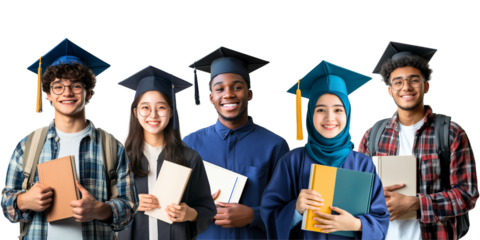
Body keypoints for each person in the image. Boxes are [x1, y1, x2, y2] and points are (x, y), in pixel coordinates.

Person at [1, 37, 138, 240]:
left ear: (88, 91)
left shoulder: (111, 146)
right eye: (58, 86)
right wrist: (23, 201)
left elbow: (129, 207)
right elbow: (5, 203)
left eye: (76, 86)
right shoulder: (27, 145)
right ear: (47, 94)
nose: (67, 92)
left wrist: (99, 210)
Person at [357, 41, 480, 240]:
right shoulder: (372, 135)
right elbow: (357, 189)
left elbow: (468, 195)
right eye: (397, 82)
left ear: (427, 86)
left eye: (414, 80)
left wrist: (416, 204)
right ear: (389, 91)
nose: (406, 87)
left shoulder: (451, 133)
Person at [261, 59, 390, 240]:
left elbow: (381, 222)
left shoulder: (363, 163)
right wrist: (296, 209)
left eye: (338, 110)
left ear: (348, 114)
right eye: (320, 110)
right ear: (309, 114)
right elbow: (269, 215)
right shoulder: (293, 160)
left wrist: (356, 224)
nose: (330, 118)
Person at [183, 46, 291, 240]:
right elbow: (176, 202)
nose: (228, 94)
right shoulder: (189, 144)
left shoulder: (276, 145)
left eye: (237, 87)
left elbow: (290, 209)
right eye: (220, 89)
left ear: (251, 94)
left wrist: (254, 215)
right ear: (210, 98)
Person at [116, 65, 216, 240]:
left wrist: (190, 213)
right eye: (145, 107)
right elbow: (101, 203)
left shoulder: (189, 158)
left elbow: (206, 208)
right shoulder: (118, 156)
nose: (153, 115)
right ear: (135, 112)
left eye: (161, 107)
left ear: (171, 112)